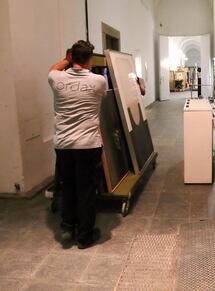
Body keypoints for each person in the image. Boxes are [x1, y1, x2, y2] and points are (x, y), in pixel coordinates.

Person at [48, 40, 106, 249]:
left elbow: (53, 68)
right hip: (88, 144)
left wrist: (67, 59)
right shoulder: (99, 81)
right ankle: (84, 236)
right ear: (90, 59)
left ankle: (67, 227)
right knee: (87, 189)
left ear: (71, 57)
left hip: (63, 144)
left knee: (68, 186)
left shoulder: (56, 78)